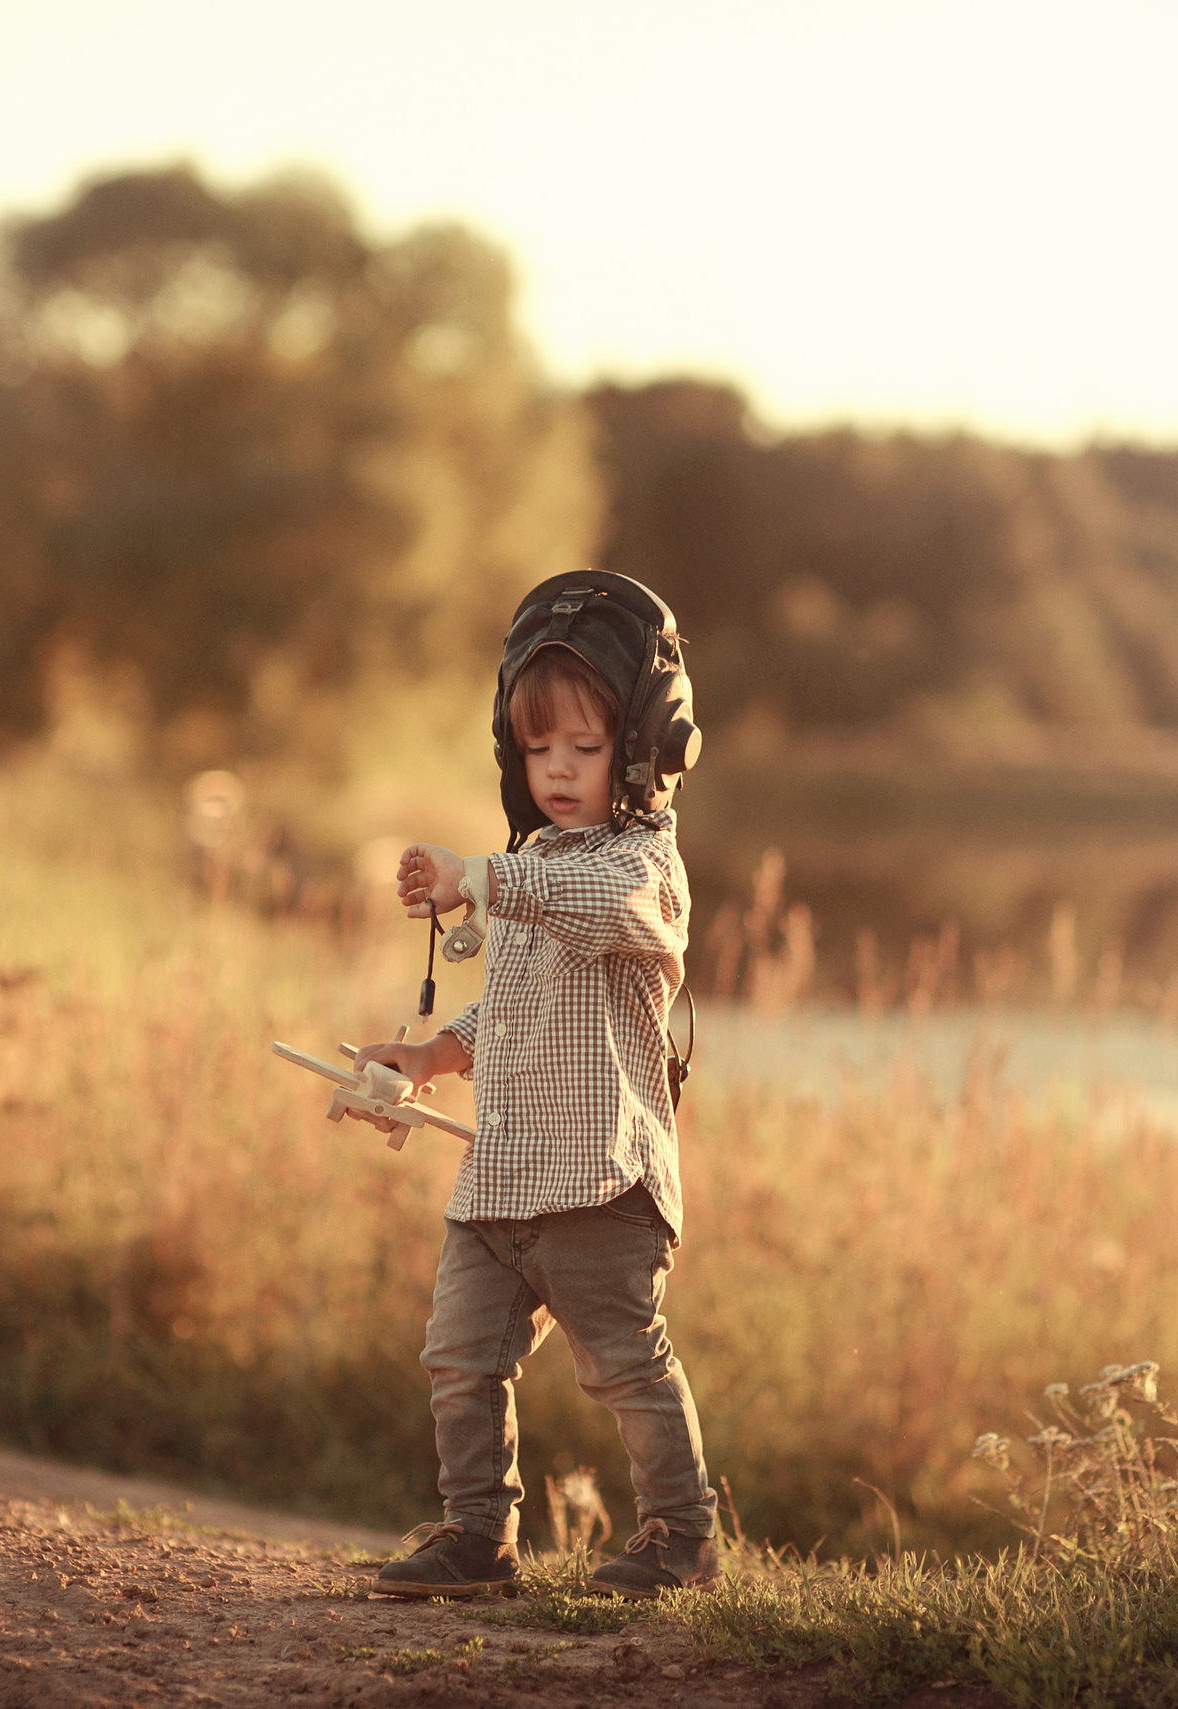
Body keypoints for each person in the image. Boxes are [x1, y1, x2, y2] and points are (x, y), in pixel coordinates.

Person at [352, 573, 714, 1602]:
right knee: (458, 1356)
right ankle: (478, 1533)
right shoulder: (533, 860)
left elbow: (583, 899)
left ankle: (682, 1536)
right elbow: (504, 1008)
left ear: (644, 749)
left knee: (623, 1367)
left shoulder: (643, 870)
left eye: (585, 748)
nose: (556, 769)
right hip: (501, 1179)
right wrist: (426, 1057)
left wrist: (483, 875)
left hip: (598, 1186)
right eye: (536, 748)